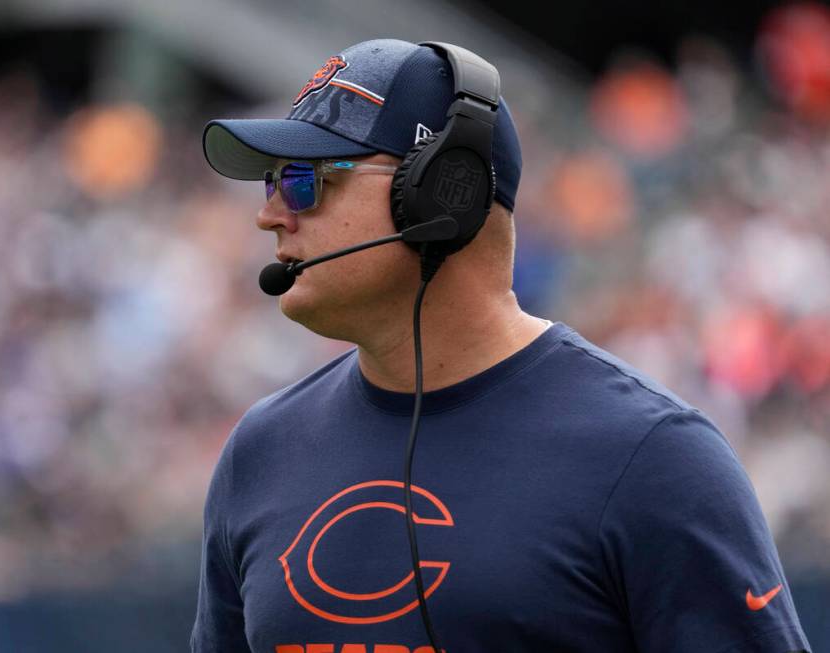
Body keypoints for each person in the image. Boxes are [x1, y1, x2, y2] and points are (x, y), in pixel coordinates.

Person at [191, 38, 812, 653]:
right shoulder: (260, 452)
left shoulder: (653, 457)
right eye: (271, 182)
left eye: (304, 181)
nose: (270, 214)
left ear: (440, 191)